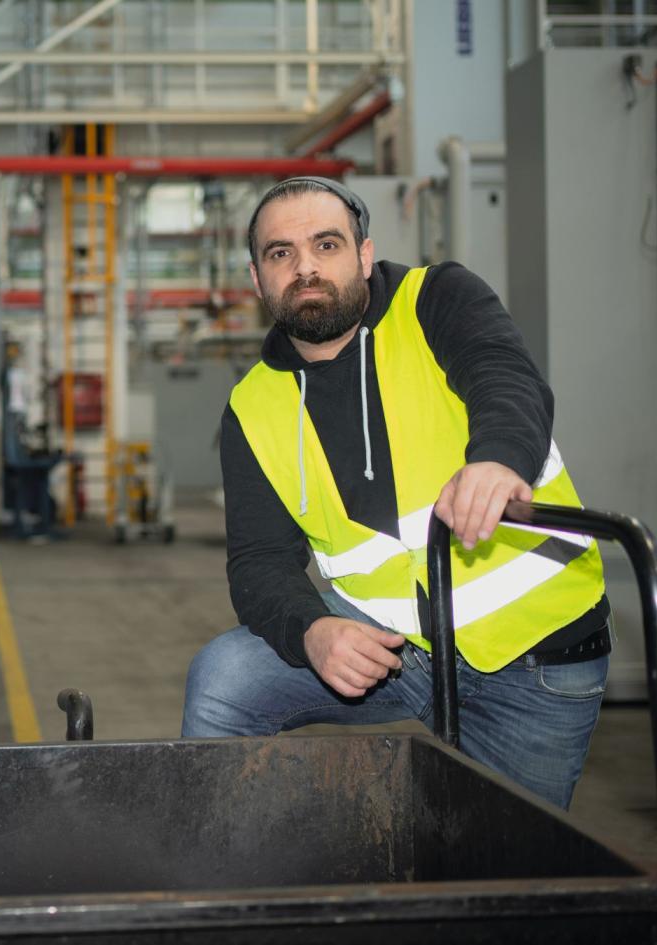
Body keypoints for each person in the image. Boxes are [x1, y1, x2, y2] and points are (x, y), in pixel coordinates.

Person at [182, 177, 612, 810]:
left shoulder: (436, 298)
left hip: (536, 661)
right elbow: (259, 562)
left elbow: (504, 376)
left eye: (326, 244)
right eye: (280, 254)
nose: (305, 267)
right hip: (398, 651)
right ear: (257, 279)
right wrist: (313, 631)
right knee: (225, 679)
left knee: (501, 872)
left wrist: (497, 460)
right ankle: (225, 891)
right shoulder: (251, 408)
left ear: (362, 253)